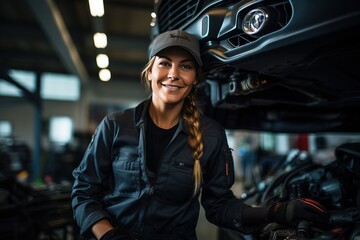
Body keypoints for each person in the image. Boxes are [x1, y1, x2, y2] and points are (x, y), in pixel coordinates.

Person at [71, 29, 329, 240]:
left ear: (195, 78)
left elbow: (219, 206)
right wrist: (107, 234)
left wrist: (275, 212)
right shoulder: (115, 125)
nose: (173, 74)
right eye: (164, 64)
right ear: (150, 72)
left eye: (185, 66)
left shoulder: (211, 135)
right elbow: (84, 192)